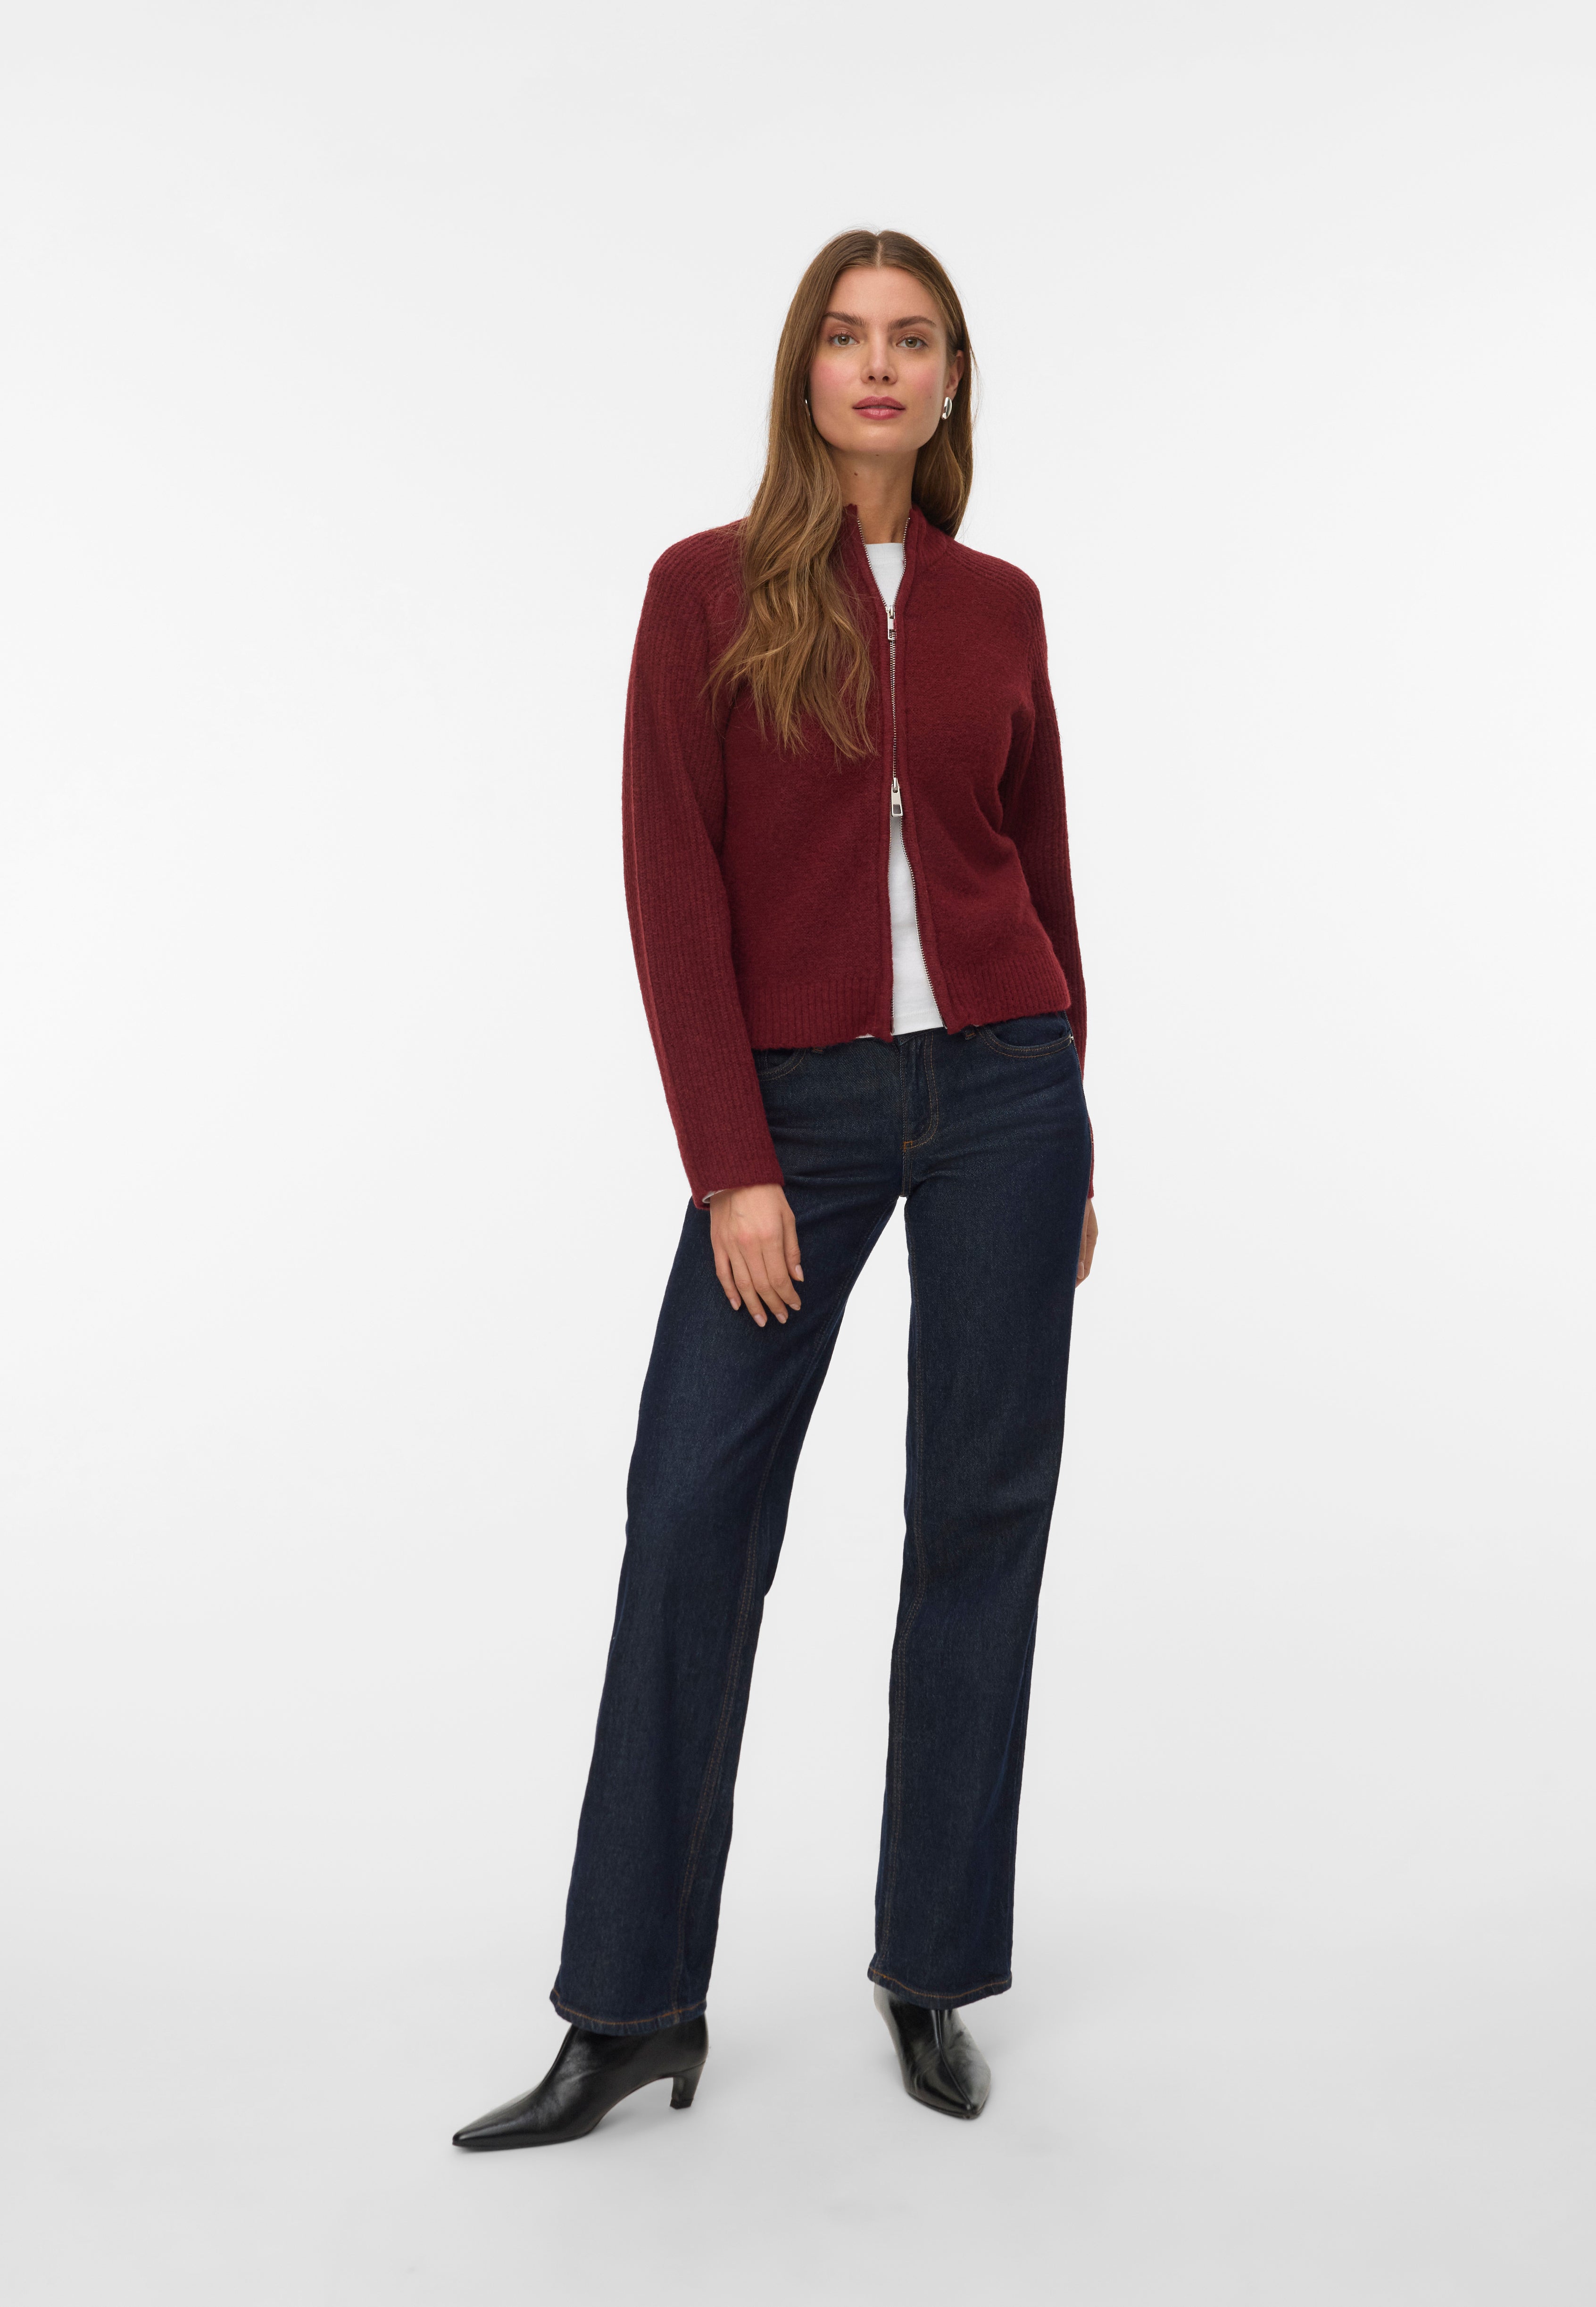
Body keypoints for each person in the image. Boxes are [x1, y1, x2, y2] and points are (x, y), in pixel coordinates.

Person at [454, 227, 1097, 2149]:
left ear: (951, 379)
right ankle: (630, 2002)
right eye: (845, 335)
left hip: (1004, 1098)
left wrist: (1069, 1112)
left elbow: (1040, 866)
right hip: (792, 1120)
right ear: (802, 373)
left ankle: (930, 1964)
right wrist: (729, 1160)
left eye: (913, 338)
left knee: (977, 1519)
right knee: (687, 1517)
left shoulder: (999, 604)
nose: (877, 365)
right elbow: (670, 885)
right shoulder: (704, 589)